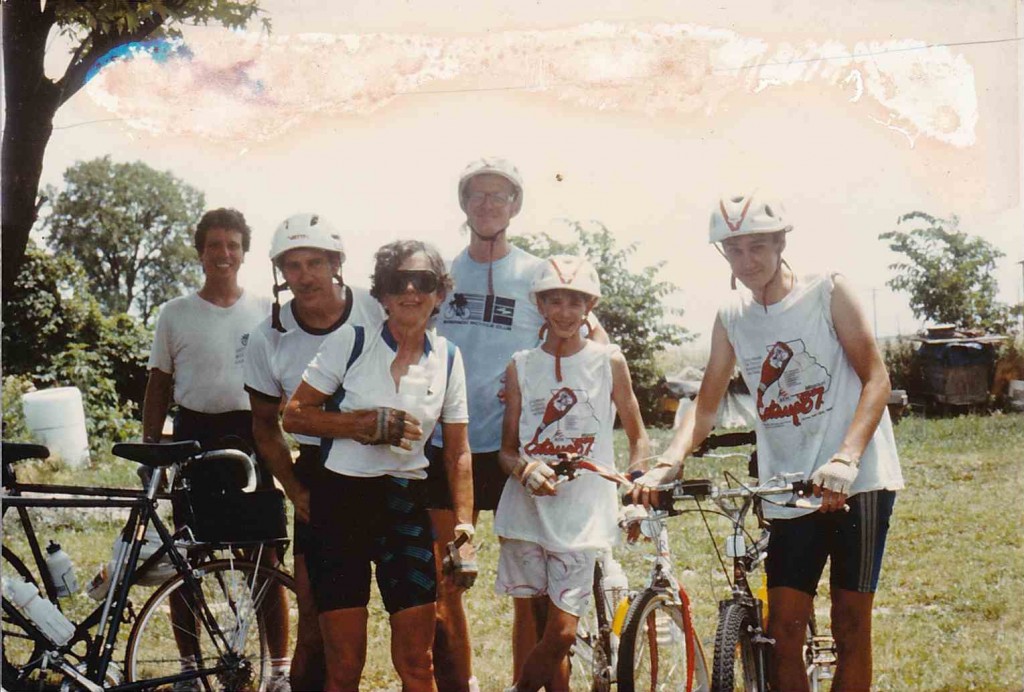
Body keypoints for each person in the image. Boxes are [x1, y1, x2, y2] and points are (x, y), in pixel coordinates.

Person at [632, 193, 904, 692]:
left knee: (849, 624)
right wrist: (668, 462)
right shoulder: (732, 315)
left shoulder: (827, 290)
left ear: (781, 242)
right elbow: (707, 406)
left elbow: (877, 379)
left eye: (758, 246)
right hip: (788, 487)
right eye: (734, 250)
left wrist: (846, 457)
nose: (748, 261)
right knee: (781, 631)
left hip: (858, 480)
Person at [426, 157, 608, 691]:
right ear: (464, 204)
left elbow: (594, 348)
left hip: (521, 448)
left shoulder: (538, 274)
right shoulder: (442, 274)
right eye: (477, 195)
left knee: (536, 597)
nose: (487, 205)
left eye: (499, 196)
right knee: (448, 582)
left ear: (516, 206)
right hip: (451, 442)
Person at [282, 240, 476, 692]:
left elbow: (457, 450)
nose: (411, 290)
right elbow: (293, 415)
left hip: (404, 507)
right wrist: (361, 424)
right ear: (382, 295)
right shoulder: (352, 341)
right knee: (345, 665)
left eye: (423, 281)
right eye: (397, 282)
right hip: (341, 504)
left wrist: (464, 526)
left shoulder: (448, 357)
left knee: (417, 662)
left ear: (439, 293)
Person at [141, 207, 289, 691]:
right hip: (192, 438)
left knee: (265, 560)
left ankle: (281, 671)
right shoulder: (175, 313)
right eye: (214, 245)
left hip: (254, 435)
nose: (223, 254)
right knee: (189, 559)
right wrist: (150, 454)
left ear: (244, 253)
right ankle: (188, 669)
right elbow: (158, 385)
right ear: (200, 252)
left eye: (233, 245)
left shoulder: (267, 311)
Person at [243, 212, 385, 690]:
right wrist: (295, 488)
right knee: (316, 621)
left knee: (427, 616)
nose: (304, 276)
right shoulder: (270, 334)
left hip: (390, 469)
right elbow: (265, 425)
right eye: (293, 265)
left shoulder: (376, 309)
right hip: (322, 471)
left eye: (315, 263)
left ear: (337, 263)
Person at [495, 255, 649, 692]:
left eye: (575, 302)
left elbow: (639, 437)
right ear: (540, 306)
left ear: (589, 306)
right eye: (555, 301)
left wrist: (635, 488)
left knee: (561, 633)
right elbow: (507, 451)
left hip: (583, 515)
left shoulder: (608, 360)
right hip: (528, 512)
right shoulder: (521, 364)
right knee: (544, 629)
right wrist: (525, 470)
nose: (565, 312)